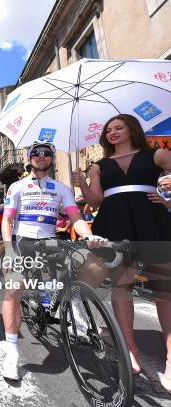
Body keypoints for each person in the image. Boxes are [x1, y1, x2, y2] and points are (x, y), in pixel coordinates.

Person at [71, 113, 171, 388]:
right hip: (113, 221)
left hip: (153, 220)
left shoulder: (157, 155)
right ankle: (130, 349)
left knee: (165, 289)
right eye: (108, 129)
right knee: (122, 286)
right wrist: (80, 181)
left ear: (131, 129)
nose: (113, 132)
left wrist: (166, 201)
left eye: (119, 127)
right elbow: (94, 200)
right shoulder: (99, 165)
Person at [1, 141, 103, 381]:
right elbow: (7, 221)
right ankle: (12, 351)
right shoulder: (16, 187)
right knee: (14, 289)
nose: (41, 156)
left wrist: (88, 235)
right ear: (29, 158)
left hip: (49, 239)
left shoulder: (61, 188)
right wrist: (8, 251)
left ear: (51, 159)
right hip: (21, 240)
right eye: (36, 153)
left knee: (80, 267)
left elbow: (75, 216)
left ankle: (73, 313)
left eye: (46, 153)